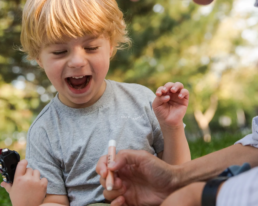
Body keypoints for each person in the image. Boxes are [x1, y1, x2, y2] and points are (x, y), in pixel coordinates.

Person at [1, 0, 191, 205]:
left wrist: (172, 127)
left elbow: (178, 176)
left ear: (110, 47)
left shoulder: (142, 100)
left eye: (91, 47)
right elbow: (55, 201)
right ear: (39, 57)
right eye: (59, 52)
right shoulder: (44, 131)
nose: (77, 61)